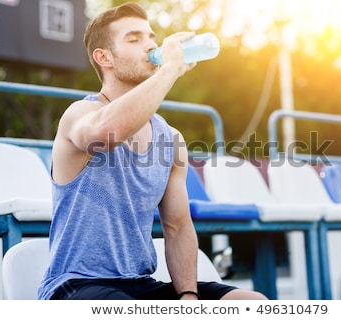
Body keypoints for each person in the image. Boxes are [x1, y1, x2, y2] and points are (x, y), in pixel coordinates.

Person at [37, 2, 267, 300]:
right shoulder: (79, 114)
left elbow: (178, 226)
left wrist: (188, 296)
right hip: (77, 285)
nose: (149, 46)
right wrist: (170, 69)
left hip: (140, 284)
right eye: (134, 39)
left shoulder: (170, 139)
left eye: (151, 38)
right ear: (103, 57)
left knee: (252, 303)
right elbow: (110, 133)